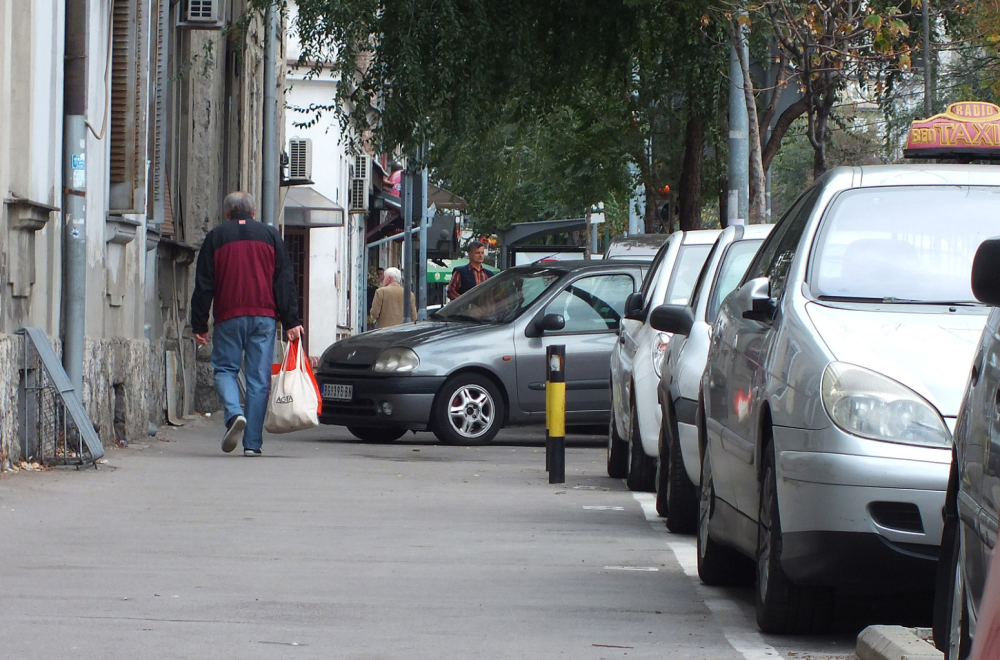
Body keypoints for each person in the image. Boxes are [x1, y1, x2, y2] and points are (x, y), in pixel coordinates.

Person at [190, 191, 303, 457]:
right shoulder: (271, 236)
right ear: (253, 213)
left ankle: (233, 414)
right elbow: (284, 280)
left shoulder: (215, 237)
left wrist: (199, 323)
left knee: (225, 369)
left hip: (228, 315)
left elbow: (204, 284)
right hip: (264, 317)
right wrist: (291, 321)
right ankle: (252, 444)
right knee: (259, 380)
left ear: (227, 213)